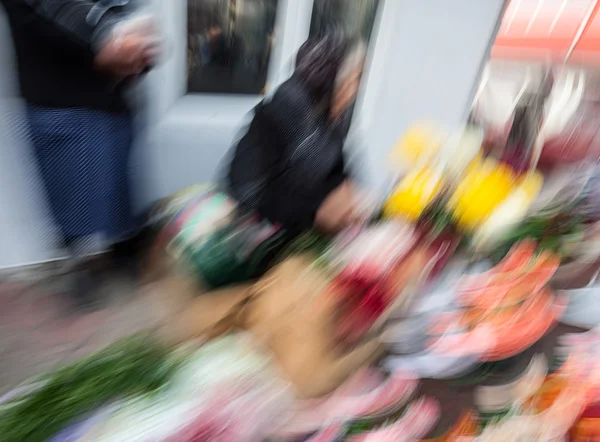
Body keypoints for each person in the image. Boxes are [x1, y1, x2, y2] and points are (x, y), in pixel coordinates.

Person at [1, 0, 160, 311]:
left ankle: (124, 251)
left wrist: (137, 41)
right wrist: (106, 41)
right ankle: (81, 265)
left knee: (118, 185)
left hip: (112, 95)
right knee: (67, 190)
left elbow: (122, 11)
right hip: (57, 95)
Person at [226, 36, 367, 236]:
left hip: (305, 234)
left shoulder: (334, 116)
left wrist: (348, 190)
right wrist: (316, 210)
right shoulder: (279, 113)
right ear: (332, 81)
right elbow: (246, 190)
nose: (356, 88)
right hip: (261, 238)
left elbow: (333, 168)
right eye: (353, 79)